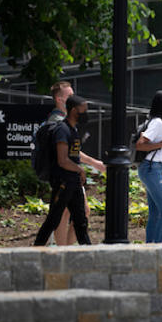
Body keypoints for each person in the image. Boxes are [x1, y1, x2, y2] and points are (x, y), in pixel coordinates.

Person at [46, 81, 105, 246]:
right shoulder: (58, 122)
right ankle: (63, 251)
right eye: (69, 96)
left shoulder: (68, 120)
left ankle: (66, 249)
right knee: (64, 213)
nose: (74, 98)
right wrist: (95, 163)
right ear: (59, 99)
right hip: (64, 174)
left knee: (80, 211)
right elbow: (66, 153)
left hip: (71, 174)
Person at [34, 95, 93, 246]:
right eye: (83, 110)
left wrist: (78, 171)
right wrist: (80, 169)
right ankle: (36, 250)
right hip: (63, 183)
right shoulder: (62, 130)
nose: (85, 113)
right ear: (73, 110)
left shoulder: (73, 130)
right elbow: (63, 160)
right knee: (53, 220)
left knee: (81, 221)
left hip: (73, 183)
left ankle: (89, 255)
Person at [136, 90, 162, 243]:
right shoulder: (158, 122)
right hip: (151, 169)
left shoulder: (161, 123)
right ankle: (157, 246)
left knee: (155, 213)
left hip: (155, 169)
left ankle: (150, 248)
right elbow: (140, 145)